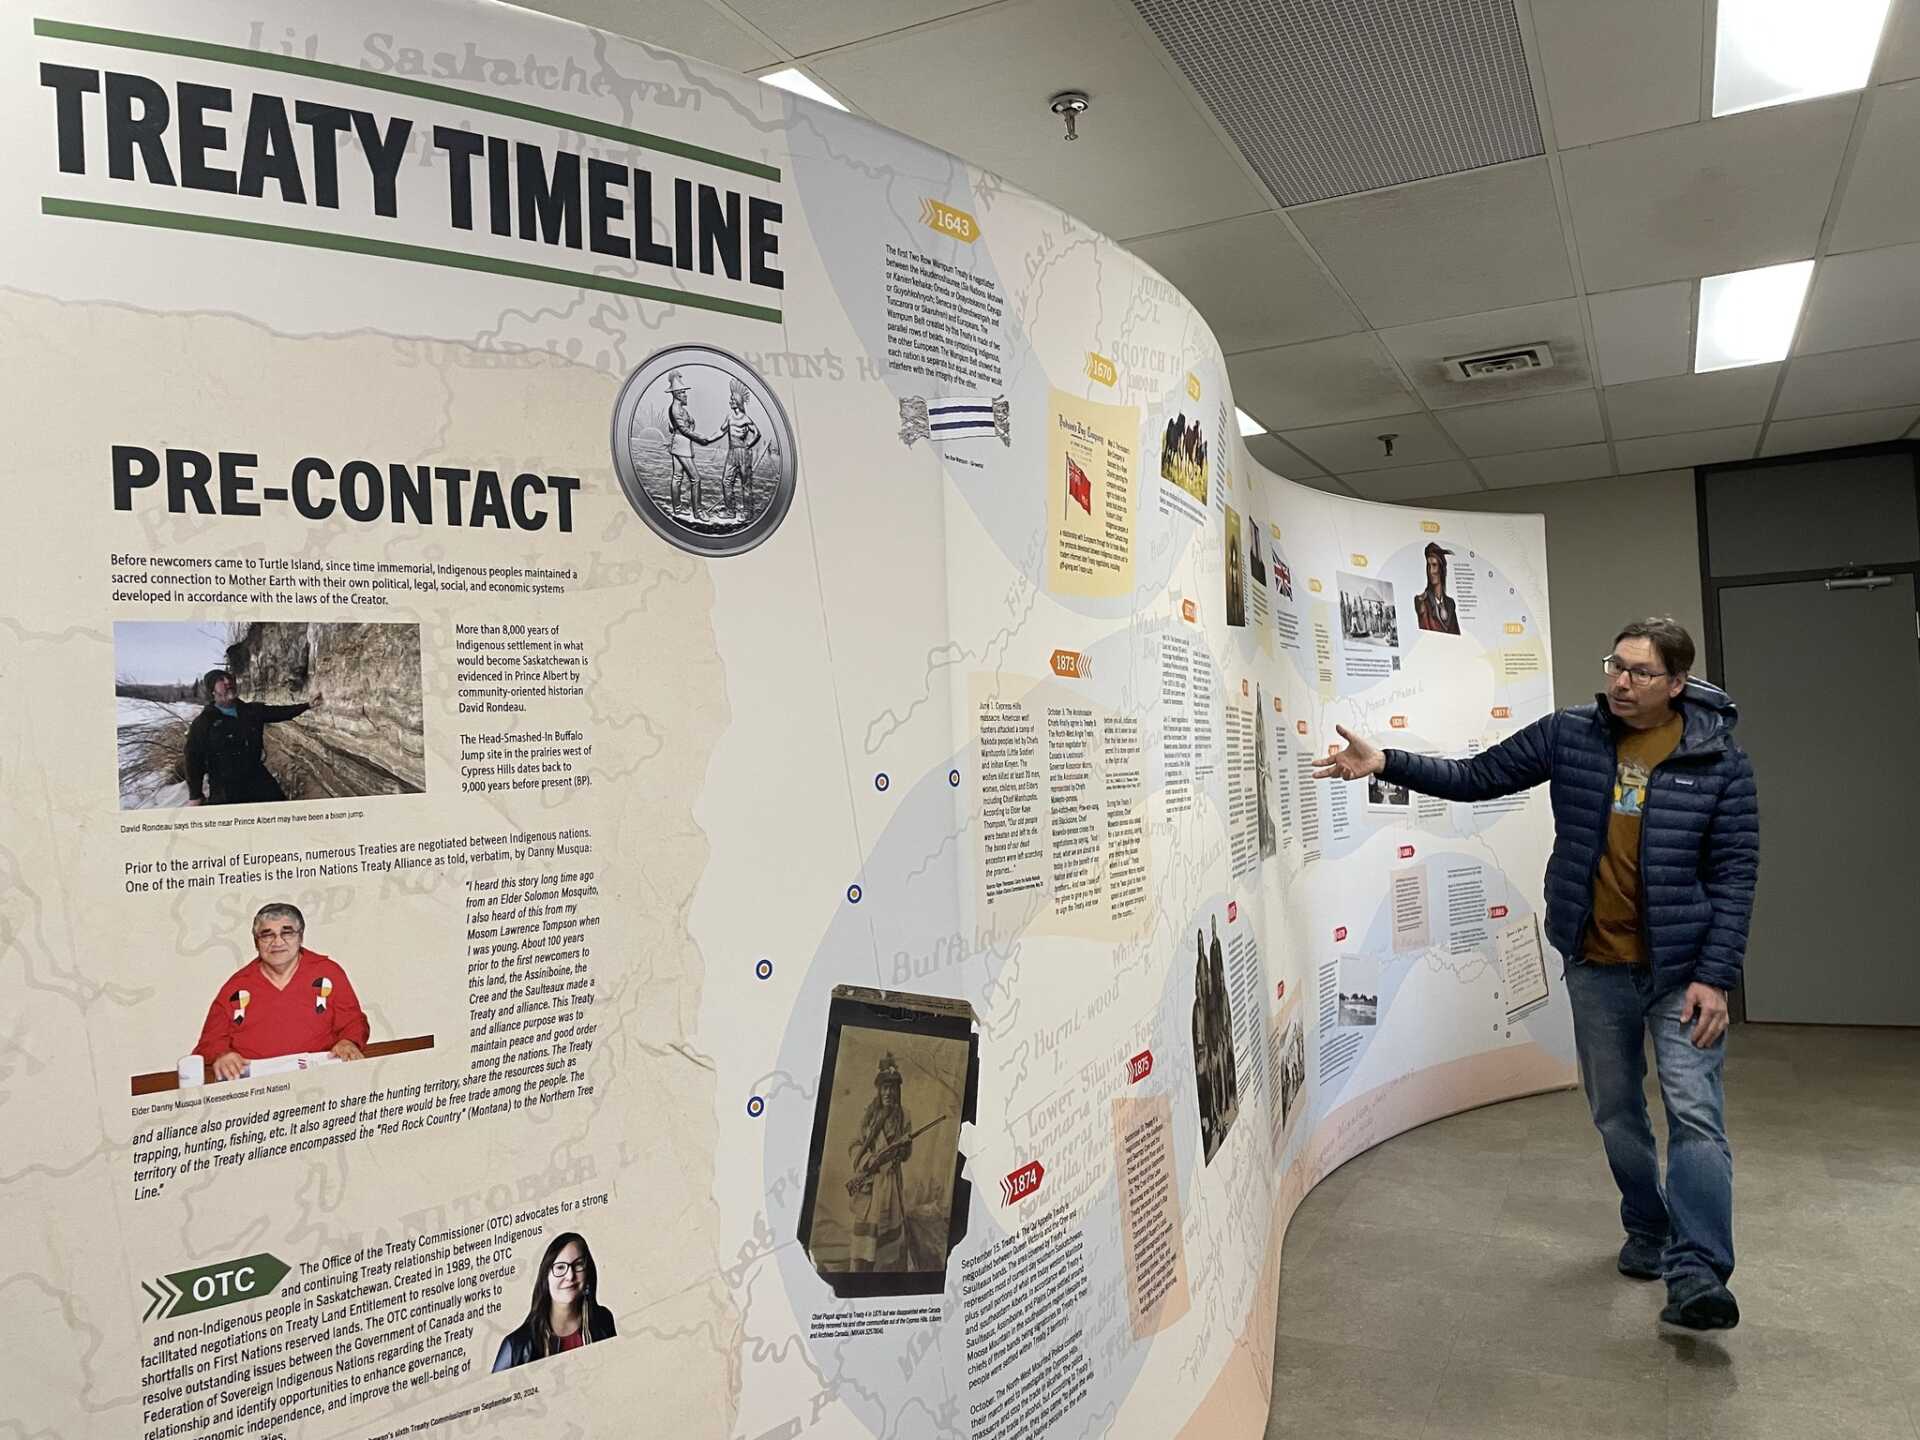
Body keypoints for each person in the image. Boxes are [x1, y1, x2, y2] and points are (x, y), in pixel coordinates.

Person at [1312, 618, 1757, 1331]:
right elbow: (1477, 777)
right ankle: (1648, 1227)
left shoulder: (1719, 761)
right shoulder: (1570, 735)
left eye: (1640, 672)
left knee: (1695, 1116)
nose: (1620, 680)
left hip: (1683, 971)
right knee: (1616, 1112)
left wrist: (1717, 975)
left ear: (1677, 684)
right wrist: (1386, 762)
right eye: (1616, 663)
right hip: (1596, 964)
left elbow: (1734, 876)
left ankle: (1699, 1274)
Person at [193, 903, 369, 1080]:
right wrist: (222, 1056)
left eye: (287, 933)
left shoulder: (328, 973)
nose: (277, 942)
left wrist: (348, 1041)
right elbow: (210, 1042)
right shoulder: (236, 987)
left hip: (319, 1080)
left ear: (300, 937)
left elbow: (353, 1022)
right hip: (256, 1088)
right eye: (267, 935)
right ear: (256, 942)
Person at [183, 669, 322, 805]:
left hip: (257, 777)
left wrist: (307, 705)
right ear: (212, 691)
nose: (227, 682)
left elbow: (281, 712)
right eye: (220, 680)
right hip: (225, 788)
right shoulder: (204, 722)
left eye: (229, 678)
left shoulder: (251, 711)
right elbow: (193, 758)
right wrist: (195, 795)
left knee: (281, 813)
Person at [492, 1233, 617, 1370]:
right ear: (546, 1277)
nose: (570, 1276)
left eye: (578, 1264)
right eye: (560, 1267)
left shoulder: (603, 1320)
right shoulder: (515, 1346)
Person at [846, 1054, 915, 1272]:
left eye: (892, 1088)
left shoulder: (904, 1116)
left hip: (891, 1183)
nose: (888, 1092)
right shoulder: (868, 1115)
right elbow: (854, 1145)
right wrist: (868, 1161)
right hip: (872, 1185)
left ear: (898, 1091)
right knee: (866, 1243)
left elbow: (906, 1154)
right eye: (884, 1087)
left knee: (890, 1246)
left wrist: (902, 1150)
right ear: (878, 1089)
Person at [664, 369, 719, 519]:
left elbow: (684, 427)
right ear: (676, 394)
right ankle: (698, 511)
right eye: (682, 392)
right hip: (682, 446)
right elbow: (684, 429)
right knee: (696, 478)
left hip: (679, 444)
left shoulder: (680, 409)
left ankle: (677, 508)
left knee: (677, 477)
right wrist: (700, 438)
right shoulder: (676, 409)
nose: (685, 395)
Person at [717, 378, 762, 515]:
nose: (730, 401)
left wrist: (749, 444)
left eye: (732, 399)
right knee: (726, 481)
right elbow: (721, 431)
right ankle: (731, 511)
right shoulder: (729, 417)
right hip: (732, 453)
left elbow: (757, 433)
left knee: (745, 484)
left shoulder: (745, 419)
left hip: (743, 453)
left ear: (737, 401)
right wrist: (706, 439)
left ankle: (748, 512)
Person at [1414, 542, 1461, 634]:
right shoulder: (1422, 601)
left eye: (1434, 565)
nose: (1431, 571)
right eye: (1428, 566)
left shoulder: (1451, 604)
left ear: (1441, 569)